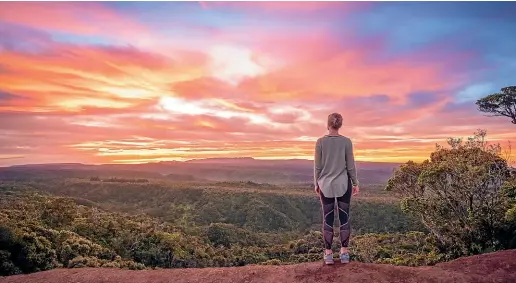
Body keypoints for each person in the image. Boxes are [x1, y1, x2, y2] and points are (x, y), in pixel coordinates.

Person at [314, 112, 359, 265]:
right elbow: (350, 165)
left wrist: (316, 183)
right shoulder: (347, 142)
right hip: (343, 184)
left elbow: (317, 166)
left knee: (328, 217)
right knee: (344, 217)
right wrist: (355, 183)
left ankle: (328, 254)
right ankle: (344, 253)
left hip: (325, 185)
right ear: (340, 125)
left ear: (328, 125)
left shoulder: (320, 142)